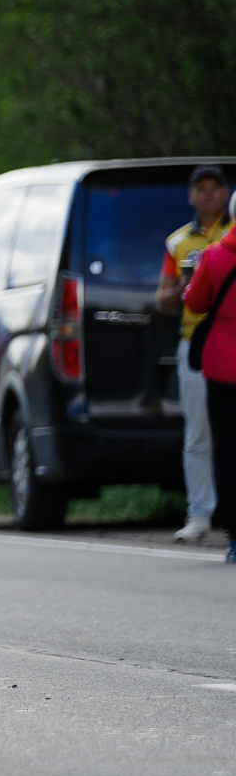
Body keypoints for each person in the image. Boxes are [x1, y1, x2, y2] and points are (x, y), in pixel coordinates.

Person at [158, 166, 230, 543]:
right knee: (198, 431)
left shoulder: (231, 235)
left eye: (215, 188)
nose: (208, 195)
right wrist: (186, 285)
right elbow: (163, 298)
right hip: (196, 342)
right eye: (201, 189)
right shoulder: (178, 243)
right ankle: (200, 512)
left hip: (230, 340)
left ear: (225, 192)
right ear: (190, 195)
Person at [176, 224, 236, 563]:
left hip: (224, 367)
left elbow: (196, 304)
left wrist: (188, 287)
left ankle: (234, 537)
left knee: (227, 451)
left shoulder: (213, 256)